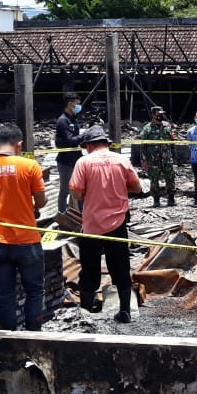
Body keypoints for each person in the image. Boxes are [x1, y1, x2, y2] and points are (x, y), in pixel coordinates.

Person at [0, 125, 48, 331]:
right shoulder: (29, 166)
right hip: (27, 240)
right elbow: (41, 202)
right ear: (19, 144)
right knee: (34, 291)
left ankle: (8, 339)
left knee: (5, 293)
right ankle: (33, 336)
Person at [69, 125, 141, 321]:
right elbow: (137, 187)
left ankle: (85, 313)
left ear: (90, 145)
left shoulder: (83, 162)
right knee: (121, 267)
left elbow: (76, 193)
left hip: (92, 225)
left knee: (89, 269)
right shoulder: (121, 160)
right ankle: (125, 310)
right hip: (117, 224)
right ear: (106, 143)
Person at [140, 106, 177, 206]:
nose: (160, 117)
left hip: (167, 158)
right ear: (153, 115)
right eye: (158, 115)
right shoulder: (147, 128)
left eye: (161, 115)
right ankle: (156, 200)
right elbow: (143, 146)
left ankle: (171, 199)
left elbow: (172, 142)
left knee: (170, 178)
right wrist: (143, 160)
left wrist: (174, 156)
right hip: (153, 159)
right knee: (154, 180)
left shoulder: (167, 126)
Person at [55, 93, 85, 213]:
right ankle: (62, 215)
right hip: (66, 162)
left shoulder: (73, 119)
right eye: (77, 104)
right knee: (65, 191)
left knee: (80, 188)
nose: (79, 107)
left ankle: (82, 214)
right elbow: (69, 140)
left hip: (76, 159)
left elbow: (72, 139)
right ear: (70, 104)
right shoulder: (63, 121)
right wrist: (84, 136)